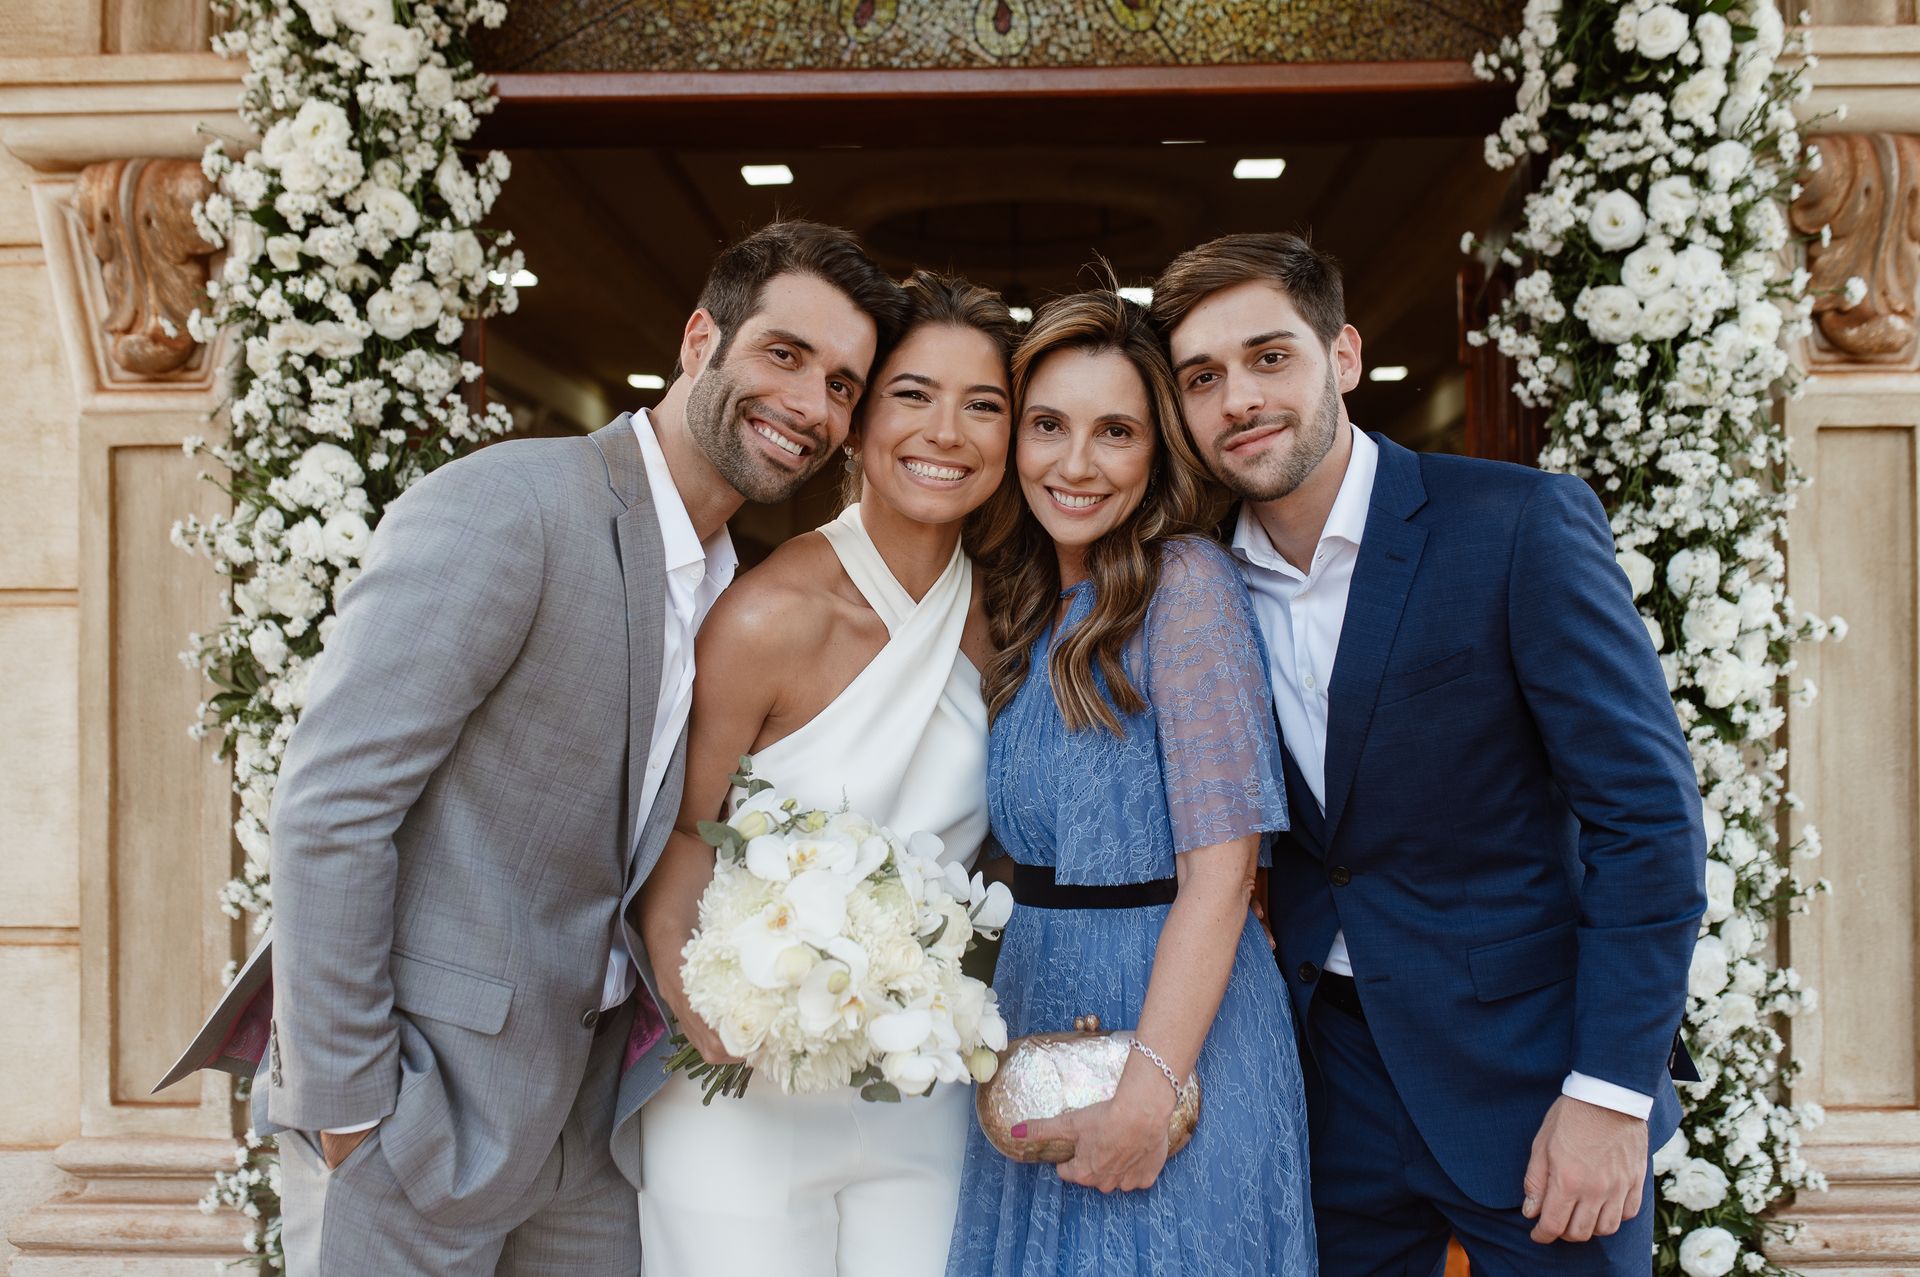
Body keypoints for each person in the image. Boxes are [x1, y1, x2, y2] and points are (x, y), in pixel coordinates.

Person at [159, 220, 907, 1275]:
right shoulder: (512, 505)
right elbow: (333, 804)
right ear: (701, 338)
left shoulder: (736, 593)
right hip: (419, 1118)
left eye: (842, 384)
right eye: (785, 354)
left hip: (588, 1127)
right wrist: (352, 1110)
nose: (811, 403)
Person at [1150, 231, 1707, 1275]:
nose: (1239, 398)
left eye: (1271, 356)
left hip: (1535, 1078)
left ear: (1343, 357)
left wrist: (1609, 1091)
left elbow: (1650, 819)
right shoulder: (1200, 585)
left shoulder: (1516, 526)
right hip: (1328, 1083)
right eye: (1203, 377)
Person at [636, 272, 1018, 1277]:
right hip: (741, 1092)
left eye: (984, 405)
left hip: (922, 1095)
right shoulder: (768, 615)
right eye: (912, 395)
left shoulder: (1010, 626)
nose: (948, 431)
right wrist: (703, 1011)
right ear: (854, 425)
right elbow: (682, 833)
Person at [945, 288, 1315, 1277]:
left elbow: (1224, 874)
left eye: (1115, 431)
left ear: (1159, 451)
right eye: (1048, 426)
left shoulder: (1185, 583)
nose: (1075, 463)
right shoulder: (1026, 603)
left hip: (1170, 1032)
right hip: (1037, 1017)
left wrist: (1149, 1095)